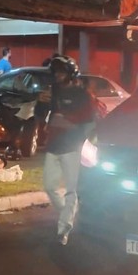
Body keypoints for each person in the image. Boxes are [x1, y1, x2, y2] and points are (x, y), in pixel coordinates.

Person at [43, 56, 97, 245]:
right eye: (55, 72)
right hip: (53, 145)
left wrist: (75, 131)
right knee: (50, 186)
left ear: (69, 73)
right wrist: (42, 104)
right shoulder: (53, 92)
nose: (57, 76)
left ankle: (63, 230)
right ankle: (68, 213)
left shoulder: (82, 94)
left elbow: (90, 121)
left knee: (71, 190)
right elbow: (43, 115)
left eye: (61, 72)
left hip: (72, 148)